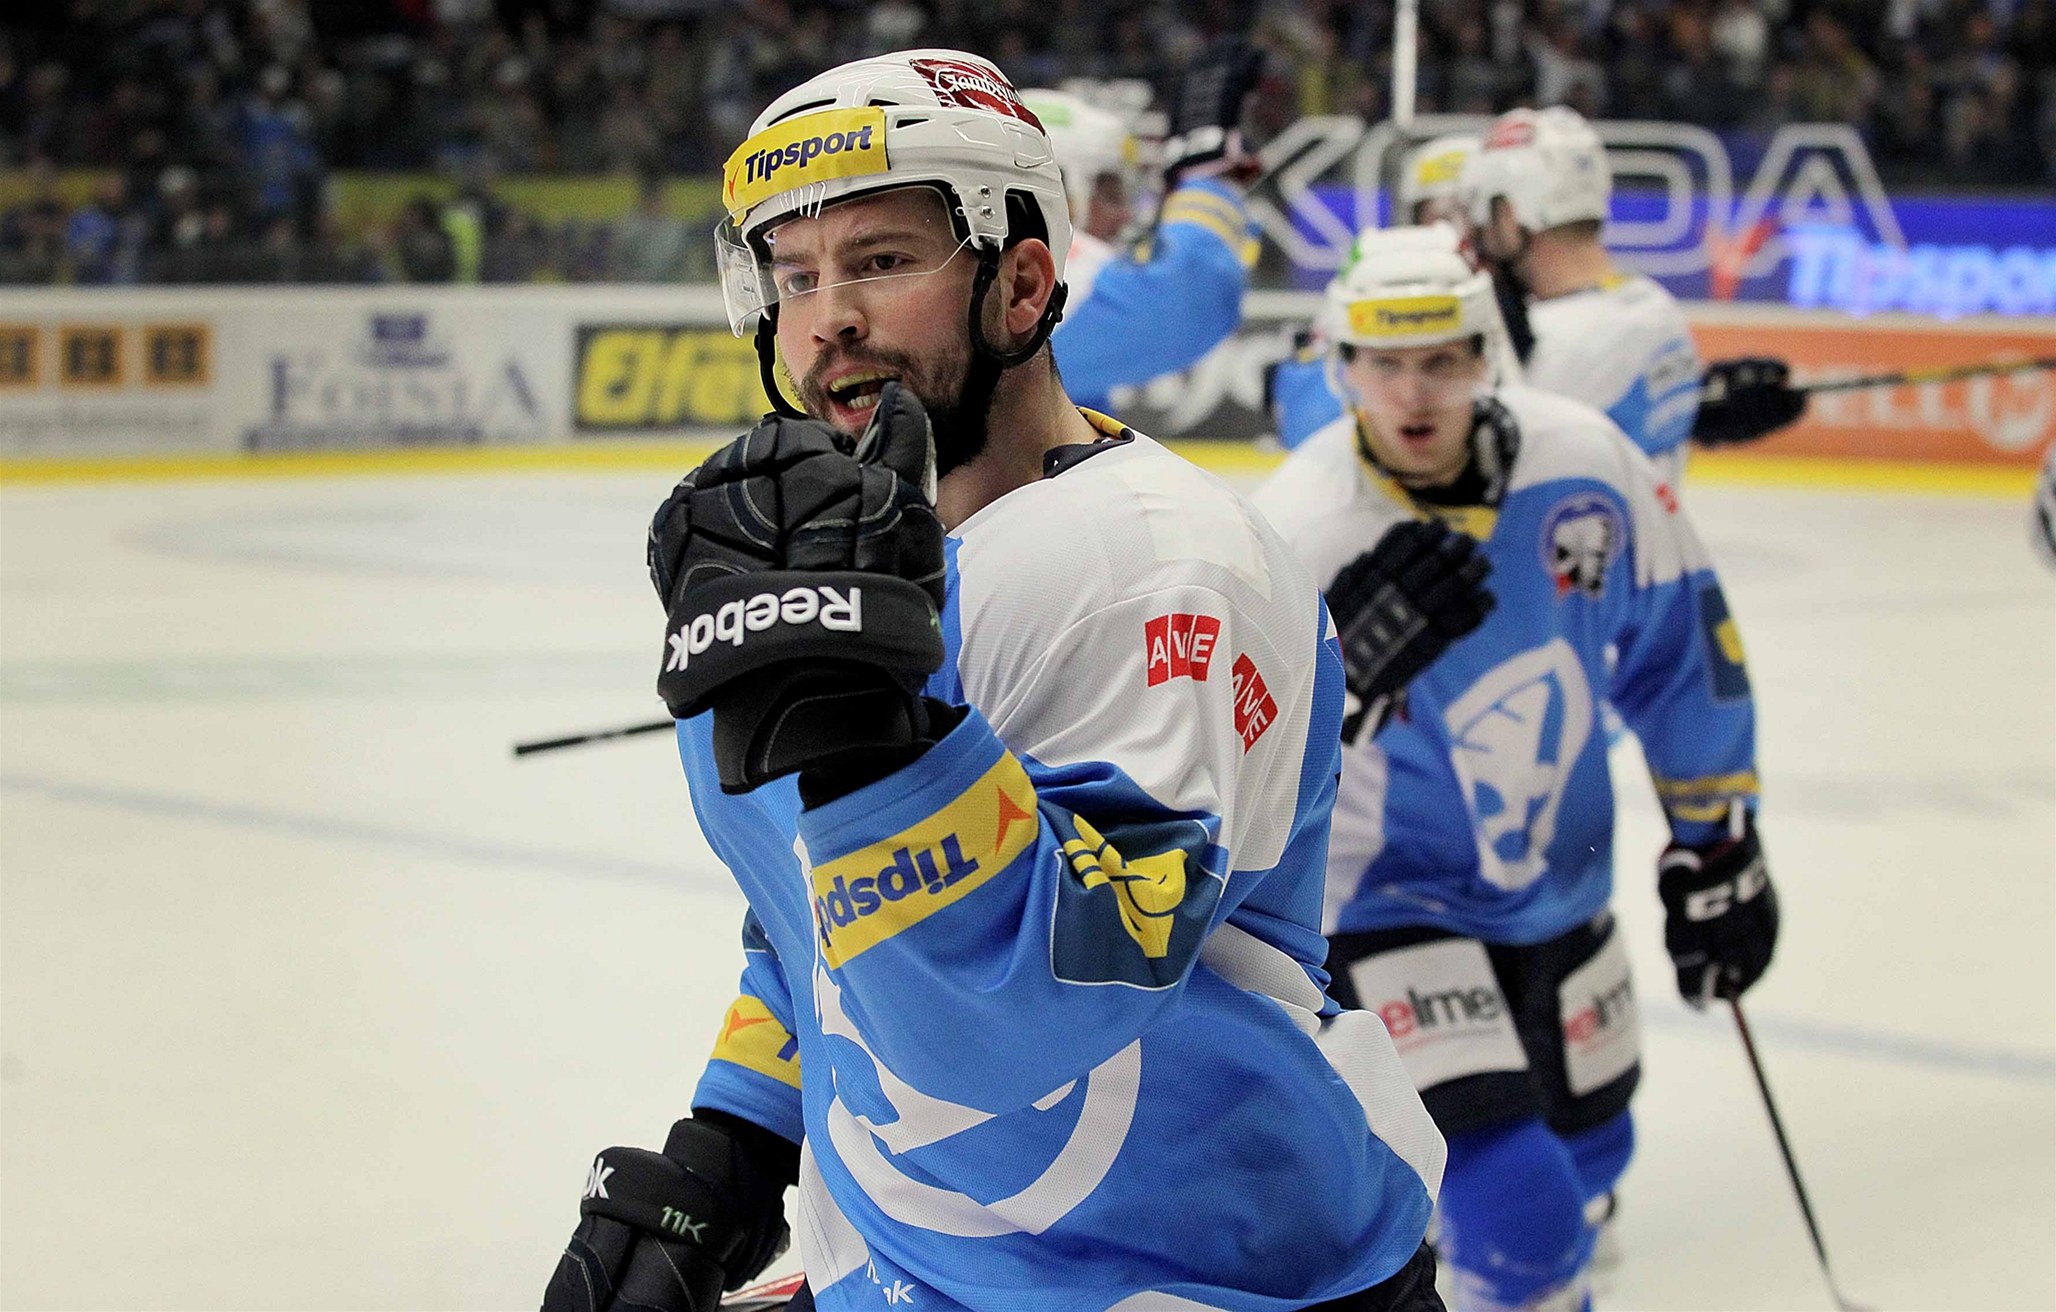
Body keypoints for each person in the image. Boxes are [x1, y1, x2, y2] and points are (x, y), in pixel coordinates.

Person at [542, 49, 1447, 1312]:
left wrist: (873, 744)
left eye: (879, 259)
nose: (827, 316)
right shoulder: (832, 557)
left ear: (1021, 285)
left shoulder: (1151, 571)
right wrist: (734, 1139)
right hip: (929, 1261)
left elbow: (1031, 1016)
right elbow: (817, 916)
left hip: (1196, 1282)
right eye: (794, 274)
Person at [1253, 225, 1779, 1312]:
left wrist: (1718, 838)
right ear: (1340, 366)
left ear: (1487, 353)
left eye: (1441, 359)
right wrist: (1339, 684)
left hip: (1558, 879)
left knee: (1594, 1154)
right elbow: (1232, 768)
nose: (1413, 394)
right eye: (1384, 363)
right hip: (1382, 900)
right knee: (1519, 1210)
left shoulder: (1587, 461)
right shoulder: (1298, 524)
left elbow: (1682, 643)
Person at [1461, 105, 1803, 485]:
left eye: (1484, 216)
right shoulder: (1655, 305)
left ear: (1511, 215)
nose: (1478, 235)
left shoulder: (1549, 345)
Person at [1032, 37, 1268, 415]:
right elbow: (1192, 297)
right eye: (1109, 193)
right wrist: (1204, 173)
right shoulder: (1024, 286)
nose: (1125, 216)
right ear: (1050, 190)